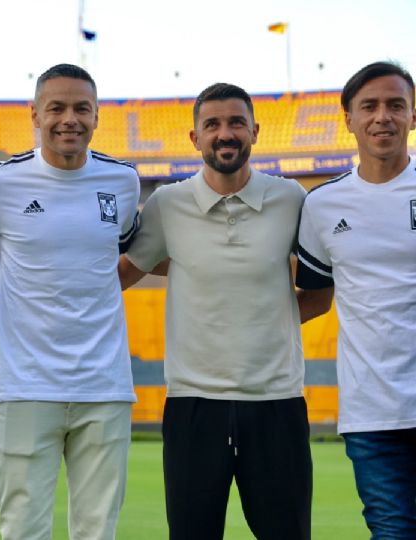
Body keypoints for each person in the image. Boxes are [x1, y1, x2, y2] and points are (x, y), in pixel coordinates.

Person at [118, 82, 311, 539]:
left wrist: (262, 316)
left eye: (236, 123)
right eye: (213, 125)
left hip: (276, 402)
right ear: (195, 138)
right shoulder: (167, 204)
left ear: (255, 131)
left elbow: (319, 293)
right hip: (193, 405)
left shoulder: (292, 200)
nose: (225, 134)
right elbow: (122, 275)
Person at [0, 63, 140, 540]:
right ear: (35, 115)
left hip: (104, 386)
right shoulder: (1, 183)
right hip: (26, 386)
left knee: (98, 530)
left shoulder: (122, 182)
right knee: (23, 529)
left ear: (97, 116)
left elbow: (128, 259)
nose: (69, 119)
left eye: (82, 108)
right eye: (56, 108)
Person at [296, 61, 416, 538]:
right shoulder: (323, 204)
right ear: (348, 118)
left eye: (395, 105)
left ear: (413, 115)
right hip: (372, 411)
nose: (382, 116)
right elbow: (314, 296)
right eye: (369, 106)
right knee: (392, 532)